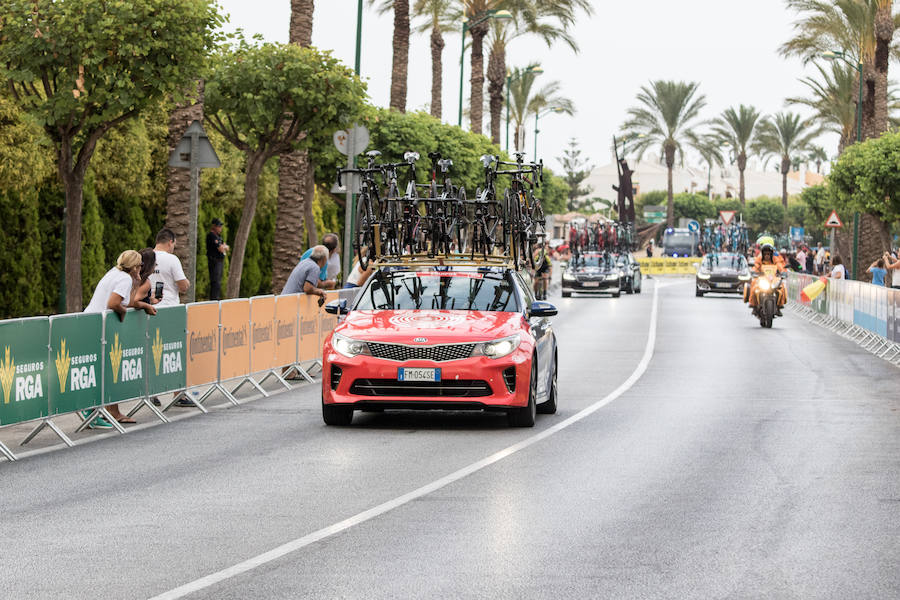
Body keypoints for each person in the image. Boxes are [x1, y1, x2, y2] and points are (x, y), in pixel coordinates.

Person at [83, 250, 156, 426]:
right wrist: (122, 314)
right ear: (135, 266)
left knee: (106, 369)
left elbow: (128, 301)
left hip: (92, 323)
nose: (141, 269)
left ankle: (102, 412)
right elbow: (114, 303)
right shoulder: (124, 278)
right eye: (139, 266)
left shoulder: (116, 273)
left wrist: (139, 293)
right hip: (99, 327)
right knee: (107, 370)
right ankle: (94, 413)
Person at [149, 228, 190, 306]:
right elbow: (183, 287)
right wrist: (187, 282)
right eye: (174, 245)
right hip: (168, 304)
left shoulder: (145, 257)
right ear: (170, 242)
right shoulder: (172, 259)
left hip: (147, 305)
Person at [748, 243, 786, 315]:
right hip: (762, 279)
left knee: (782, 287)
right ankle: (753, 305)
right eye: (765, 254)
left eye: (768, 254)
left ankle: (779, 306)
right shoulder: (759, 259)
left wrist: (783, 272)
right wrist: (753, 271)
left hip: (773, 279)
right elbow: (756, 266)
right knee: (754, 286)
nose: (767, 256)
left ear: (771, 254)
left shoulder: (775, 259)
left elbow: (780, 266)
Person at [206, 218, 228, 300]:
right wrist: (223, 247)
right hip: (214, 261)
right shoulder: (211, 236)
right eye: (218, 226)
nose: (220, 228)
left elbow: (226, 247)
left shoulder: (218, 236)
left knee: (218, 282)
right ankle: (214, 299)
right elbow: (221, 248)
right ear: (214, 226)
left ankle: (216, 298)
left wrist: (224, 247)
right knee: (215, 282)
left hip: (220, 261)